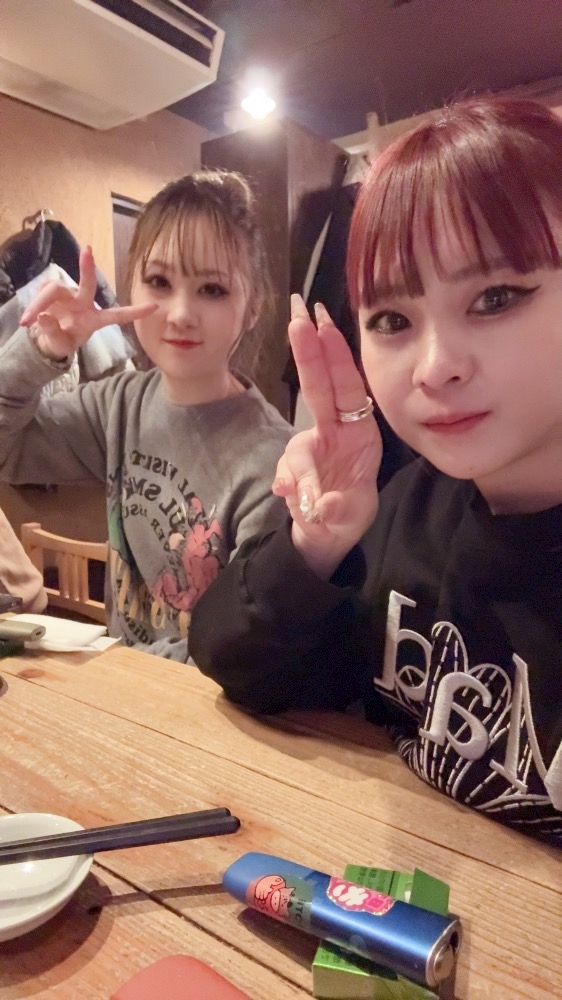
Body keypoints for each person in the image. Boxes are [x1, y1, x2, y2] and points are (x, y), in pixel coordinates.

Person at [189, 96, 562, 844]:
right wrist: (316, 542)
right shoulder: (402, 512)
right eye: (392, 320)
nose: (435, 367)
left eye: (495, 297)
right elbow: (236, 662)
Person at [0, 169, 292, 658]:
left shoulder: (273, 461)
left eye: (212, 289)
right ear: (132, 285)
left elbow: (240, 647)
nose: (180, 314)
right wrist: (40, 351)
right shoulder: (119, 404)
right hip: (122, 685)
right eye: (159, 281)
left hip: (202, 696)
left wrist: (112, 672)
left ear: (254, 306)